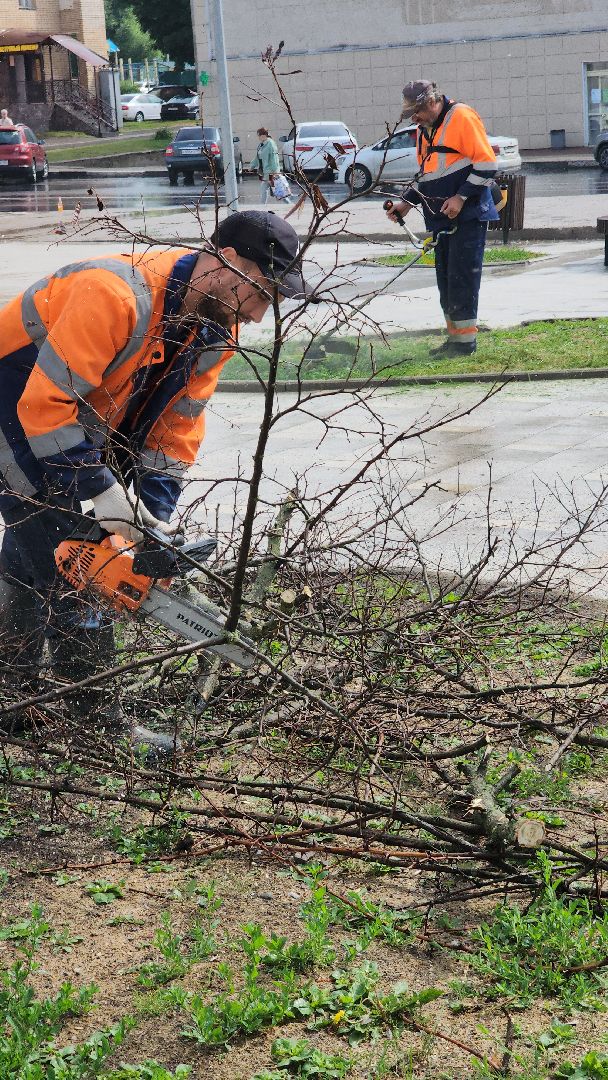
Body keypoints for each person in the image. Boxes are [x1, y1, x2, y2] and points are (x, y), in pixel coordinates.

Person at [0, 210, 313, 754]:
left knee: (37, 555)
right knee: (81, 560)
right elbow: (45, 410)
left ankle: (13, 692)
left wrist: (152, 515)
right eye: (263, 293)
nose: (262, 315)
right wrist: (99, 493)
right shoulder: (115, 294)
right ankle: (98, 729)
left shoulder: (216, 329)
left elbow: (175, 429)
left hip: (69, 426)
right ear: (228, 261)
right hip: (13, 412)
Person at [385, 79, 498, 356]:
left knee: (462, 279)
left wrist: (460, 197)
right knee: (446, 280)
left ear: (431, 103)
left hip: (468, 216)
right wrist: (406, 204)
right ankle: (454, 340)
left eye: (417, 111)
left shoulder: (461, 117)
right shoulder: (426, 130)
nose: (414, 118)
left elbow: (487, 165)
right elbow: (427, 175)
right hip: (441, 218)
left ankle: (465, 344)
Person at [249, 127, 287, 205]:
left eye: (259, 135)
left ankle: (263, 206)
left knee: (278, 191)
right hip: (265, 172)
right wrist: (252, 166)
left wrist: (274, 172)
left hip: (271, 172)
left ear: (263, 135)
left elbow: (274, 158)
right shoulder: (261, 145)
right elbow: (258, 157)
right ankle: (288, 204)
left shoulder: (270, 144)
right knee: (277, 191)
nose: (258, 137)